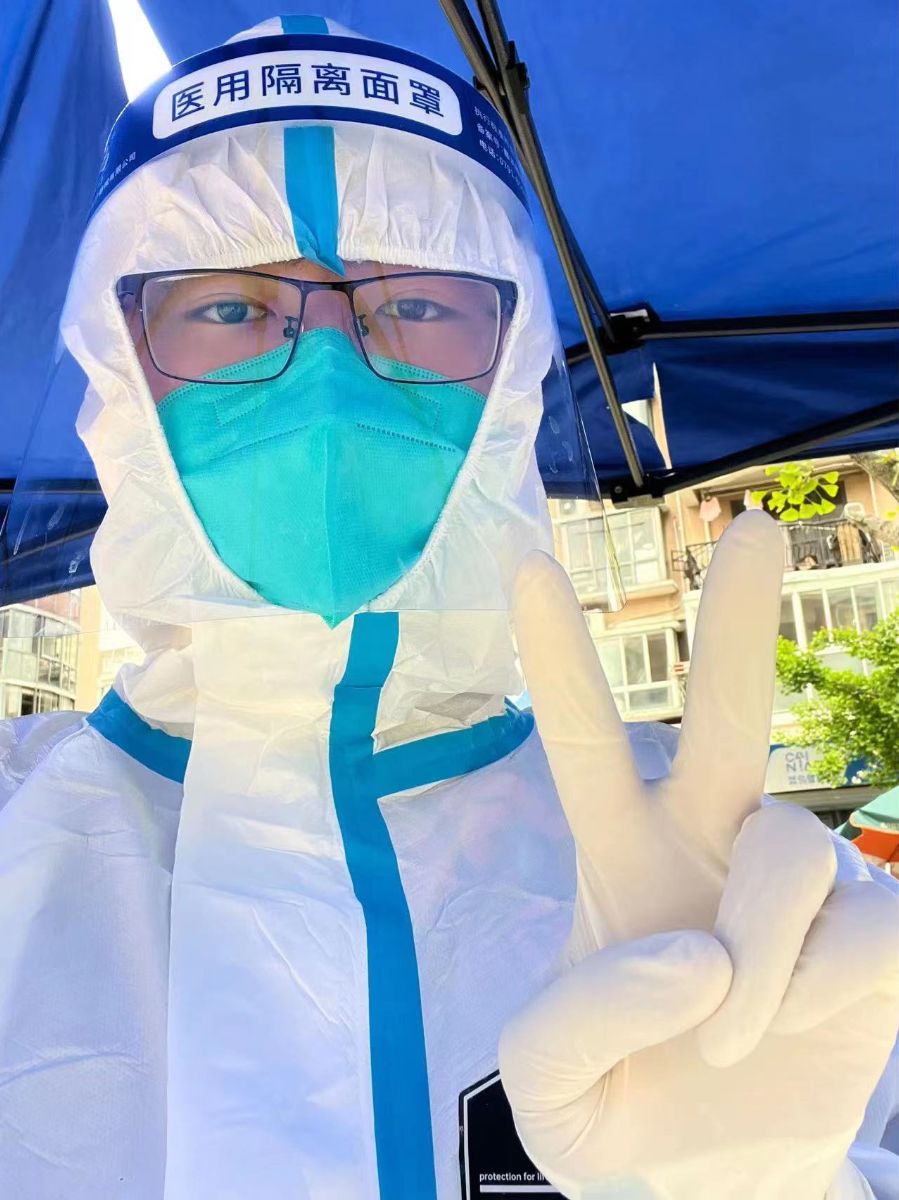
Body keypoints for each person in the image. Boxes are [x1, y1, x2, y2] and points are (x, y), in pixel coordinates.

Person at [1, 17, 897, 1200]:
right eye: (224, 309)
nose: (328, 374)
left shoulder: (738, 889)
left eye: (414, 306)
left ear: (514, 374)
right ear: (119, 372)